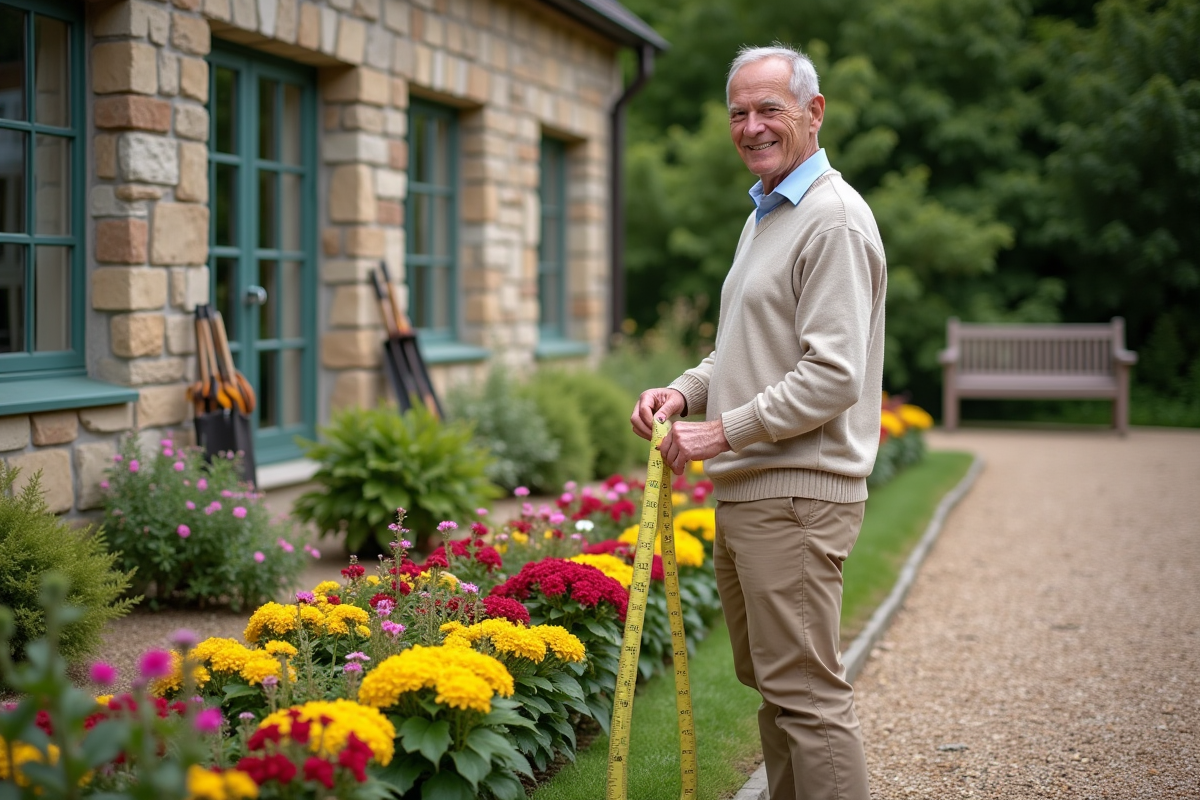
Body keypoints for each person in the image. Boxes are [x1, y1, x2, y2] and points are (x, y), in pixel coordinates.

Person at [630, 43, 886, 800]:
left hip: (796, 495)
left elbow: (832, 376)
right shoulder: (768, 214)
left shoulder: (832, 220)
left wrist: (720, 433)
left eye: (770, 108)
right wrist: (683, 394)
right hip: (758, 492)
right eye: (738, 112)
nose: (752, 126)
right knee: (778, 688)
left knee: (807, 697)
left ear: (814, 112)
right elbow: (745, 350)